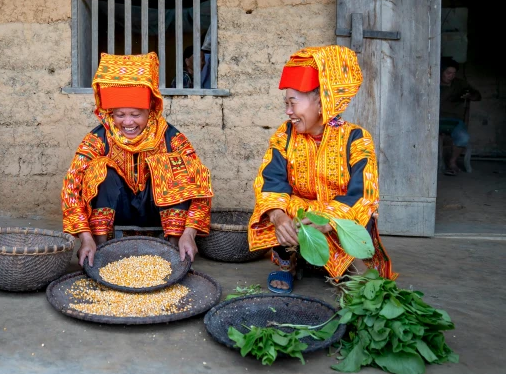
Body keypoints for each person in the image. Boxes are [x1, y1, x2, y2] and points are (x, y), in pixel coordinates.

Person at [248, 45, 395, 293]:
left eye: (293, 103)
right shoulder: (284, 135)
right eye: (286, 103)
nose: (288, 111)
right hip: (301, 213)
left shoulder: (356, 139)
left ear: (321, 100)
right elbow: (270, 180)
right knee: (273, 206)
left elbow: (363, 195)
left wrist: (328, 221)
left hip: (334, 215)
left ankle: (344, 263)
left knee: (365, 212)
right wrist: (277, 215)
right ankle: (289, 264)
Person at [62, 52, 214, 265]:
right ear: (110, 113)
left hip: (157, 211)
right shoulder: (98, 138)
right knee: (99, 169)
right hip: (117, 211)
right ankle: (99, 248)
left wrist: (190, 233)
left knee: (172, 165)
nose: (127, 123)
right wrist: (85, 238)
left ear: (150, 111)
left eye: (136, 114)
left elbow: (201, 187)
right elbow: (71, 187)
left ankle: (174, 246)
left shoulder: (171, 137)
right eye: (119, 115)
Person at [439, 57, 481, 175]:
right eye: (448, 73)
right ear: (441, 71)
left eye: (453, 73)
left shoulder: (460, 83)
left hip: (454, 121)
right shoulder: (431, 82)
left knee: (463, 138)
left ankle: (452, 163)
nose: (451, 76)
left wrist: (470, 95)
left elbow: (478, 96)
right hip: (434, 120)